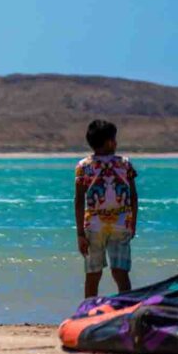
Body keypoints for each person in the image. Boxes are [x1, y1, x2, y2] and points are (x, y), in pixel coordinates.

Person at [74, 119, 138, 299]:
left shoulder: (83, 166)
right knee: (121, 272)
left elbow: (79, 200)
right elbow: (133, 196)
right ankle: (126, 310)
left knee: (93, 274)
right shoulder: (124, 164)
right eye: (115, 139)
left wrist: (80, 234)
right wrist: (133, 222)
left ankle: (87, 312)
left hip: (92, 226)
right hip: (121, 224)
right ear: (110, 141)